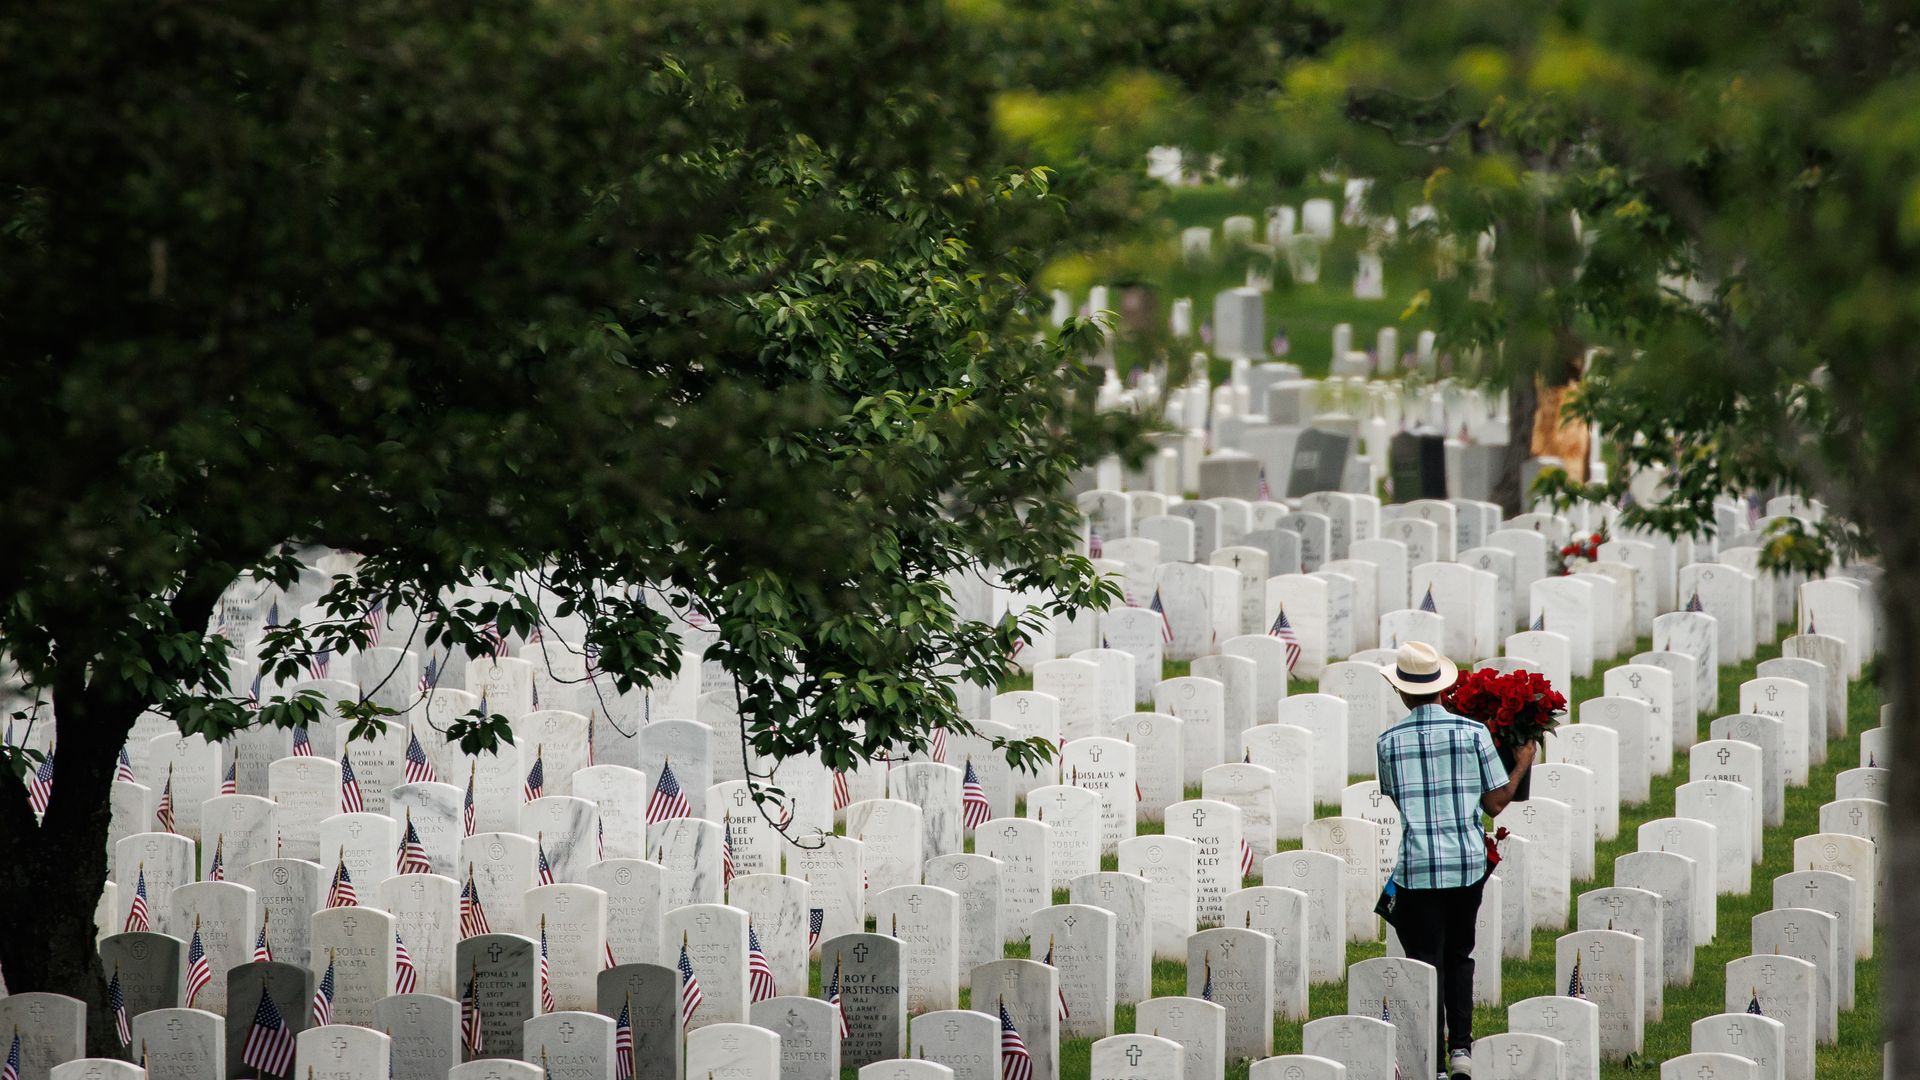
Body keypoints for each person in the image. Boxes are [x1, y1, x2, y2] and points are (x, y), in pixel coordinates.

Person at [1375, 641, 1534, 1080]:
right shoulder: (1474, 733)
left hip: (1418, 866)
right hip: (1466, 864)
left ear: (1403, 693)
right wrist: (1522, 764)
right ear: (1442, 689)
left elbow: (1395, 796)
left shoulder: (1388, 743)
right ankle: (1461, 1050)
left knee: (1425, 961)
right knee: (1460, 954)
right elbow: (1496, 803)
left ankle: (1432, 1059)